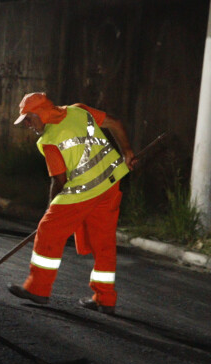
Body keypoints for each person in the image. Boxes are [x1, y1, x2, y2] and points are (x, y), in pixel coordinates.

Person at [8, 92, 137, 315]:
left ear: (40, 114)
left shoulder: (49, 140)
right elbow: (115, 123)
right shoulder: (79, 110)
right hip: (110, 183)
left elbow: (59, 182)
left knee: (48, 230)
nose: (27, 125)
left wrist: (50, 210)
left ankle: (38, 288)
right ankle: (105, 298)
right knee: (104, 243)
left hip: (85, 188)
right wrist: (127, 151)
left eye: (28, 119)